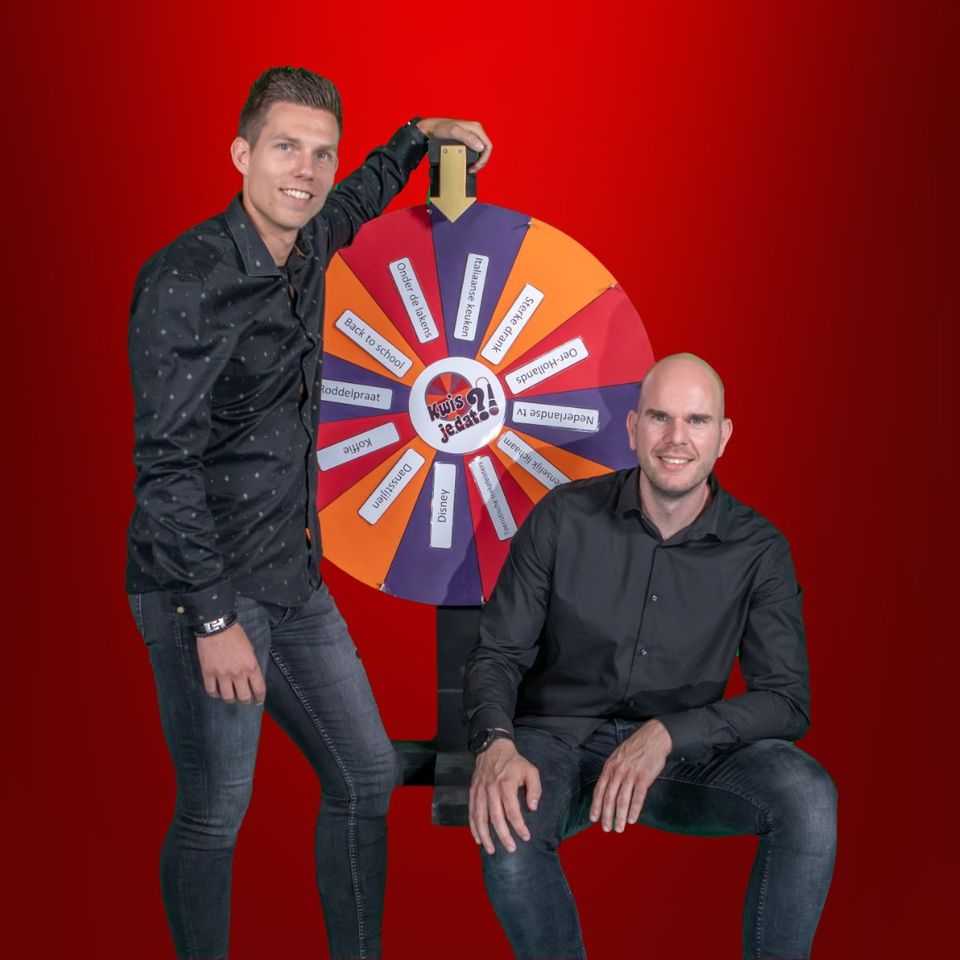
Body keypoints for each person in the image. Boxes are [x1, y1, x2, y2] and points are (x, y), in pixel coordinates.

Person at [126, 66, 491, 960]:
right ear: (241, 154)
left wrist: (420, 133)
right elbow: (164, 467)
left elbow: (360, 196)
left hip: (290, 573)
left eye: (321, 153)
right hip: (201, 584)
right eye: (286, 147)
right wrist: (213, 620)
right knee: (216, 811)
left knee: (364, 775)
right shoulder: (185, 278)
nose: (307, 170)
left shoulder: (309, 240)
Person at [464, 353, 836, 959]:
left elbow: (787, 702)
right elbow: (497, 653)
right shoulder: (562, 516)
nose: (676, 439)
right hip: (555, 743)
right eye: (661, 417)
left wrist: (669, 733)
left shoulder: (760, 550)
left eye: (697, 420)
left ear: (723, 436)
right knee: (508, 830)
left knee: (809, 796)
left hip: (681, 759)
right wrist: (495, 743)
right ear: (634, 427)